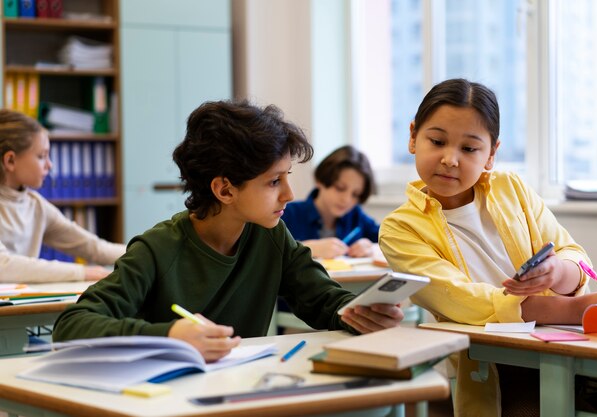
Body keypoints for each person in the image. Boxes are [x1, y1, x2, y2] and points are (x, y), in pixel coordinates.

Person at [52, 100, 403, 362]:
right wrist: (171, 335)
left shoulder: (272, 236)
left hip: (240, 393)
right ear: (224, 190)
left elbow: (324, 300)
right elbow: (72, 325)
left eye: (287, 178)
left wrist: (359, 313)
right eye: (273, 181)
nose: (289, 195)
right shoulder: (157, 248)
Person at [378, 78, 597, 417]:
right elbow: (465, 302)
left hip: (569, 347)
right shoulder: (400, 228)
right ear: (412, 137)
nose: (450, 159)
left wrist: (557, 272)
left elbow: (573, 255)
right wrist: (577, 309)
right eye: (437, 141)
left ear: (491, 154)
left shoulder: (512, 189)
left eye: (469, 149)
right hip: (500, 368)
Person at [0, 109, 125, 283]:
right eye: (42, 156)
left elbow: (93, 248)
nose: (50, 165)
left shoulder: (36, 206)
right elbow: (3, 266)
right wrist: (83, 272)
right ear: (10, 161)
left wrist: (148, 251)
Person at [282, 145, 379, 259]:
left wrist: (370, 246)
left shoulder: (356, 216)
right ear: (319, 180)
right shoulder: (287, 214)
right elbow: (265, 253)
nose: (346, 200)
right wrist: (306, 248)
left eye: (355, 194)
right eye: (339, 188)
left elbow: (388, 239)